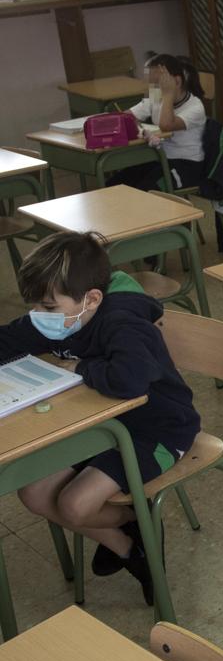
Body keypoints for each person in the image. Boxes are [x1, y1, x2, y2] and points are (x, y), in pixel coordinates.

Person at [0, 232, 200, 605]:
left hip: (158, 430)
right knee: (34, 493)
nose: (40, 317)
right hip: (99, 425)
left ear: (91, 299)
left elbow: (131, 379)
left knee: (75, 505)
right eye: (36, 307)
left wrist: (82, 366)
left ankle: (134, 522)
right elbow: (8, 340)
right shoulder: (63, 314)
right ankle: (130, 545)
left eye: (48, 307)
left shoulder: (123, 322)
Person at [107, 54, 208, 193]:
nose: (152, 89)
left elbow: (166, 125)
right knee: (114, 185)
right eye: (151, 84)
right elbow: (127, 117)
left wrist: (168, 94)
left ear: (177, 81)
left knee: (145, 192)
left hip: (186, 166)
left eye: (157, 84)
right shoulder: (156, 95)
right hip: (159, 159)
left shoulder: (195, 107)